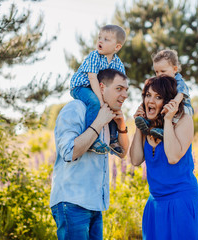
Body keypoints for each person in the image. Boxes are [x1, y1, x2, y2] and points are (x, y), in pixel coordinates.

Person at [51, 69, 129, 239]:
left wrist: (121, 124)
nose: (125, 95)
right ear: (101, 88)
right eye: (119, 88)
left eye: (126, 90)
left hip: (95, 205)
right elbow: (69, 152)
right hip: (72, 204)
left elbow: (122, 153)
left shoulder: (109, 116)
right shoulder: (76, 108)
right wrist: (99, 121)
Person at [130, 75, 198, 240]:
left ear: (168, 101)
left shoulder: (184, 120)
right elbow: (135, 160)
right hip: (155, 203)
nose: (151, 101)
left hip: (181, 201)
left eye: (158, 97)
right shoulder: (146, 126)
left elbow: (172, 157)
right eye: (148, 95)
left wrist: (168, 119)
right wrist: (138, 126)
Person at [70, 24, 126, 155]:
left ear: (117, 47)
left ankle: (113, 139)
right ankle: (92, 140)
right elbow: (92, 78)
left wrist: (114, 101)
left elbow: (121, 82)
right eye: (100, 37)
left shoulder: (118, 64)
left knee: (113, 107)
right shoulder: (94, 56)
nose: (100, 41)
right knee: (94, 102)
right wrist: (101, 101)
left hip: (97, 88)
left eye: (106, 39)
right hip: (81, 86)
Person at [135, 49, 194, 140]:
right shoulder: (162, 83)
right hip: (168, 106)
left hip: (182, 108)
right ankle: (146, 123)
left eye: (163, 71)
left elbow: (181, 94)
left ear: (174, 69)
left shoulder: (179, 81)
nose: (159, 75)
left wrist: (174, 104)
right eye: (157, 72)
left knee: (172, 112)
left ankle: (163, 130)